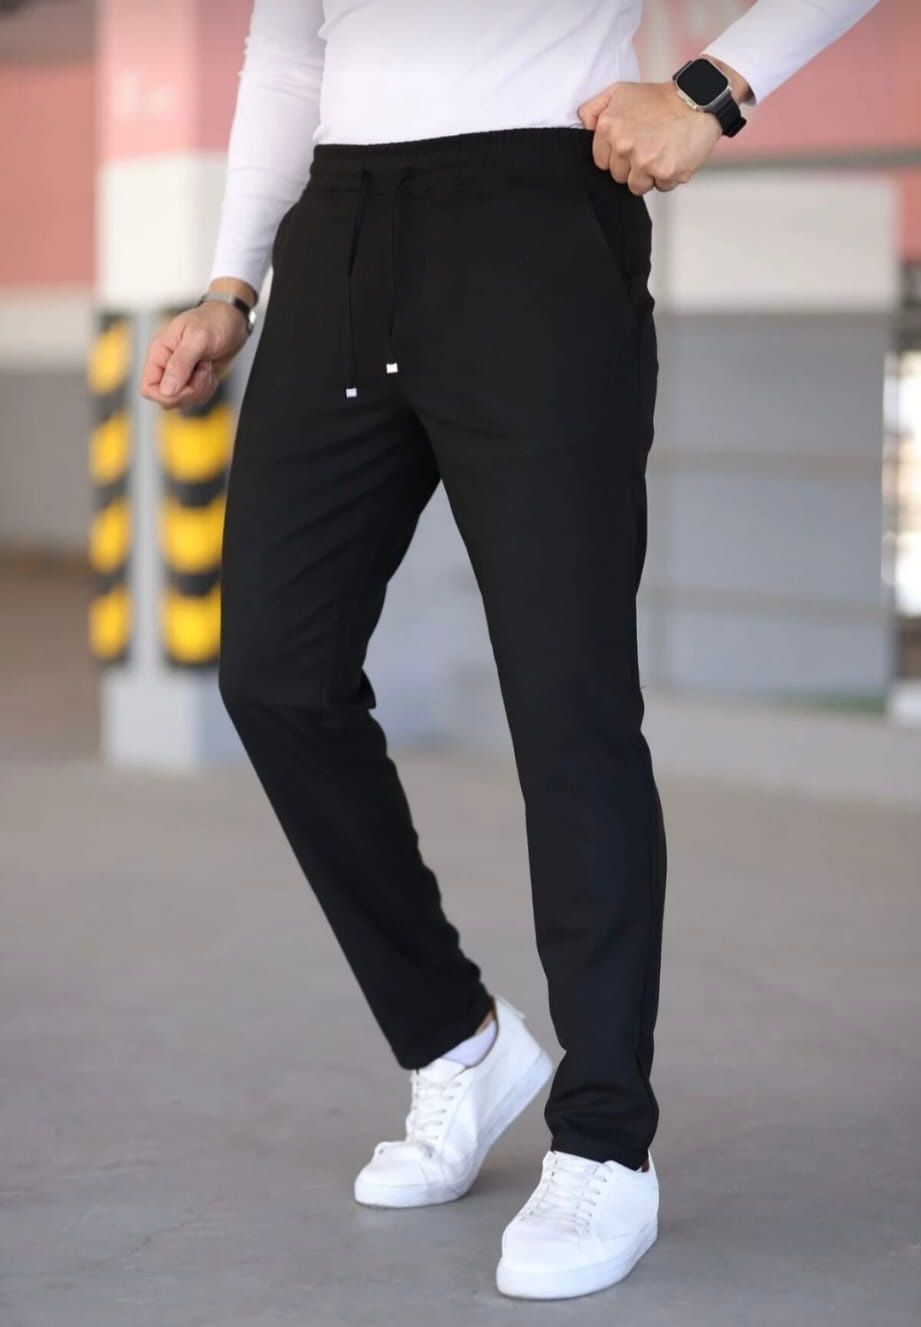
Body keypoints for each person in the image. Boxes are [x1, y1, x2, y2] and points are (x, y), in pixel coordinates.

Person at [141, 0, 880, 1301]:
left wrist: (713, 89)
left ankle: (603, 1142)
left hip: (536, 217)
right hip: (340, 231)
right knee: (273, 672)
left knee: (566, 703)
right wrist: (230, 281)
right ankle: (460, 1045)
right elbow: (289, 47)